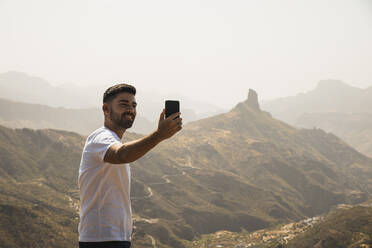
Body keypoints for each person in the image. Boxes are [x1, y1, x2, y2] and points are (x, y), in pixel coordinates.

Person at [78, 83, 182, 248]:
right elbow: (122, 155)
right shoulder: (100, 137)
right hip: (102, 239)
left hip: (113, 238)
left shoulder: (111, 139)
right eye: (123, 104)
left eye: (133, 105)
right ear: (106, 109)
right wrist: (159, 135)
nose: (130, 109)